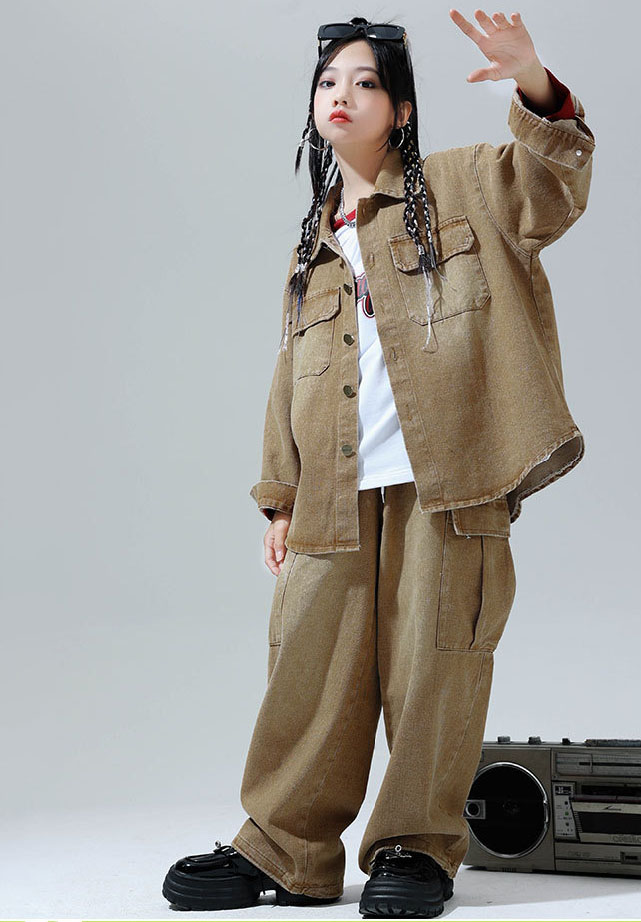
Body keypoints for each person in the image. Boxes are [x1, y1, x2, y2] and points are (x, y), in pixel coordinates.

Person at [162, 9, 595, 918]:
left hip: (452, 485)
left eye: (365, 83)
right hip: (331, 495)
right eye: (328, 82)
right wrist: (279, 498)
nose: (342, 96)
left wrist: (533, 79)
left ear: (400, 109)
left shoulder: (464, 185)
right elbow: (291, 373)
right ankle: (286, 851)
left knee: (435, 666)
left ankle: (415, 849)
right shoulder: (312, 245)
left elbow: (551, 187)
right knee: (308, 671)